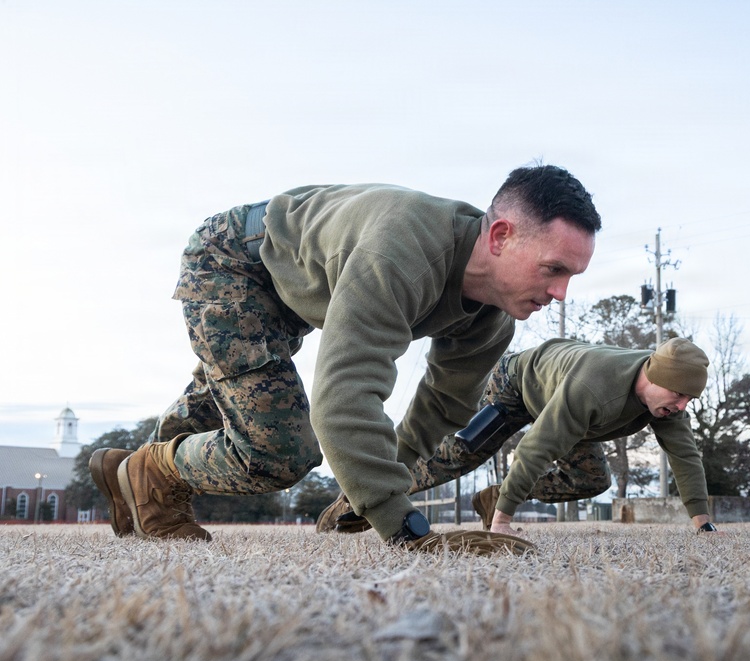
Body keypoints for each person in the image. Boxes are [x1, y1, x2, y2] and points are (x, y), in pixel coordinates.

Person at [89, 165, 602, 554]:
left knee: (229, 398)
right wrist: (404, 526)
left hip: (297, 289)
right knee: (277, 450)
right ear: (500, 237)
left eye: (571, 277)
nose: (560, 293)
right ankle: (149, 473)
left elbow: (441, 409)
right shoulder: (402, 253)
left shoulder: (493, 316)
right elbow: (344, 399)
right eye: (553, 269)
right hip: (235, 262)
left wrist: (367, 493)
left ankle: (135, 479)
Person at [317, 337, 717, 536]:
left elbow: (685, 457)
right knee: (460, 453)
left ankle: (494, 497)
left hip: (564, 402)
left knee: (593, 480)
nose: (681, 405)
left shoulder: (666, 406)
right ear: (654, 376)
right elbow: (538, 447)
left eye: (689, 399)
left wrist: (703, 525)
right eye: (679, 395)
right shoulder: (595, 387)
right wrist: (503, 524)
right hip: (516, 384)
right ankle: (362, 495)